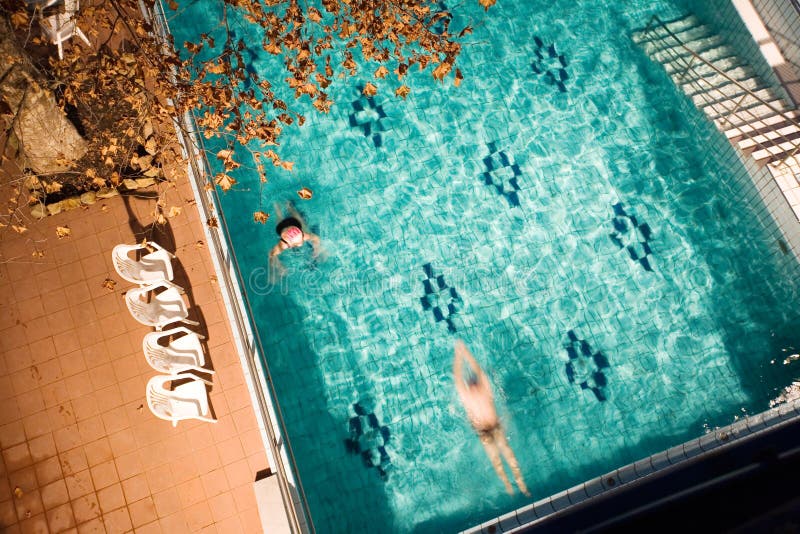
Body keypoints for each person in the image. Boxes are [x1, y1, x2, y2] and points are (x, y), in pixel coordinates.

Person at [453, 340, 531, 496]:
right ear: (470, 385)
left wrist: (466, 354)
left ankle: (520, 481)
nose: (473, 384)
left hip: (496, 427)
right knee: (495, 459)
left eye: (474, 382)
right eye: (472, 383)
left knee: (508, 454)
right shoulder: (467, 396)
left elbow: (478, 372)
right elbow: (457, 378)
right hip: (483, 432)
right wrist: (459, 357)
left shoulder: (484, 389)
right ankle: (507, 484)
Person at [268, 202, 321, 274]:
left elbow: (316, 238)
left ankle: (289, 206)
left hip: (294, 223)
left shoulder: (304, 236)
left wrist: (317, 248)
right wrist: (280, 266)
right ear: (290, 244)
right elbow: (271, 254)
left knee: (302, 223)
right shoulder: (284, 245)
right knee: (279, 218)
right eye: (299, 243)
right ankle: (277, 206)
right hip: (282, 227)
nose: (302, 244)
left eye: (301, 240)